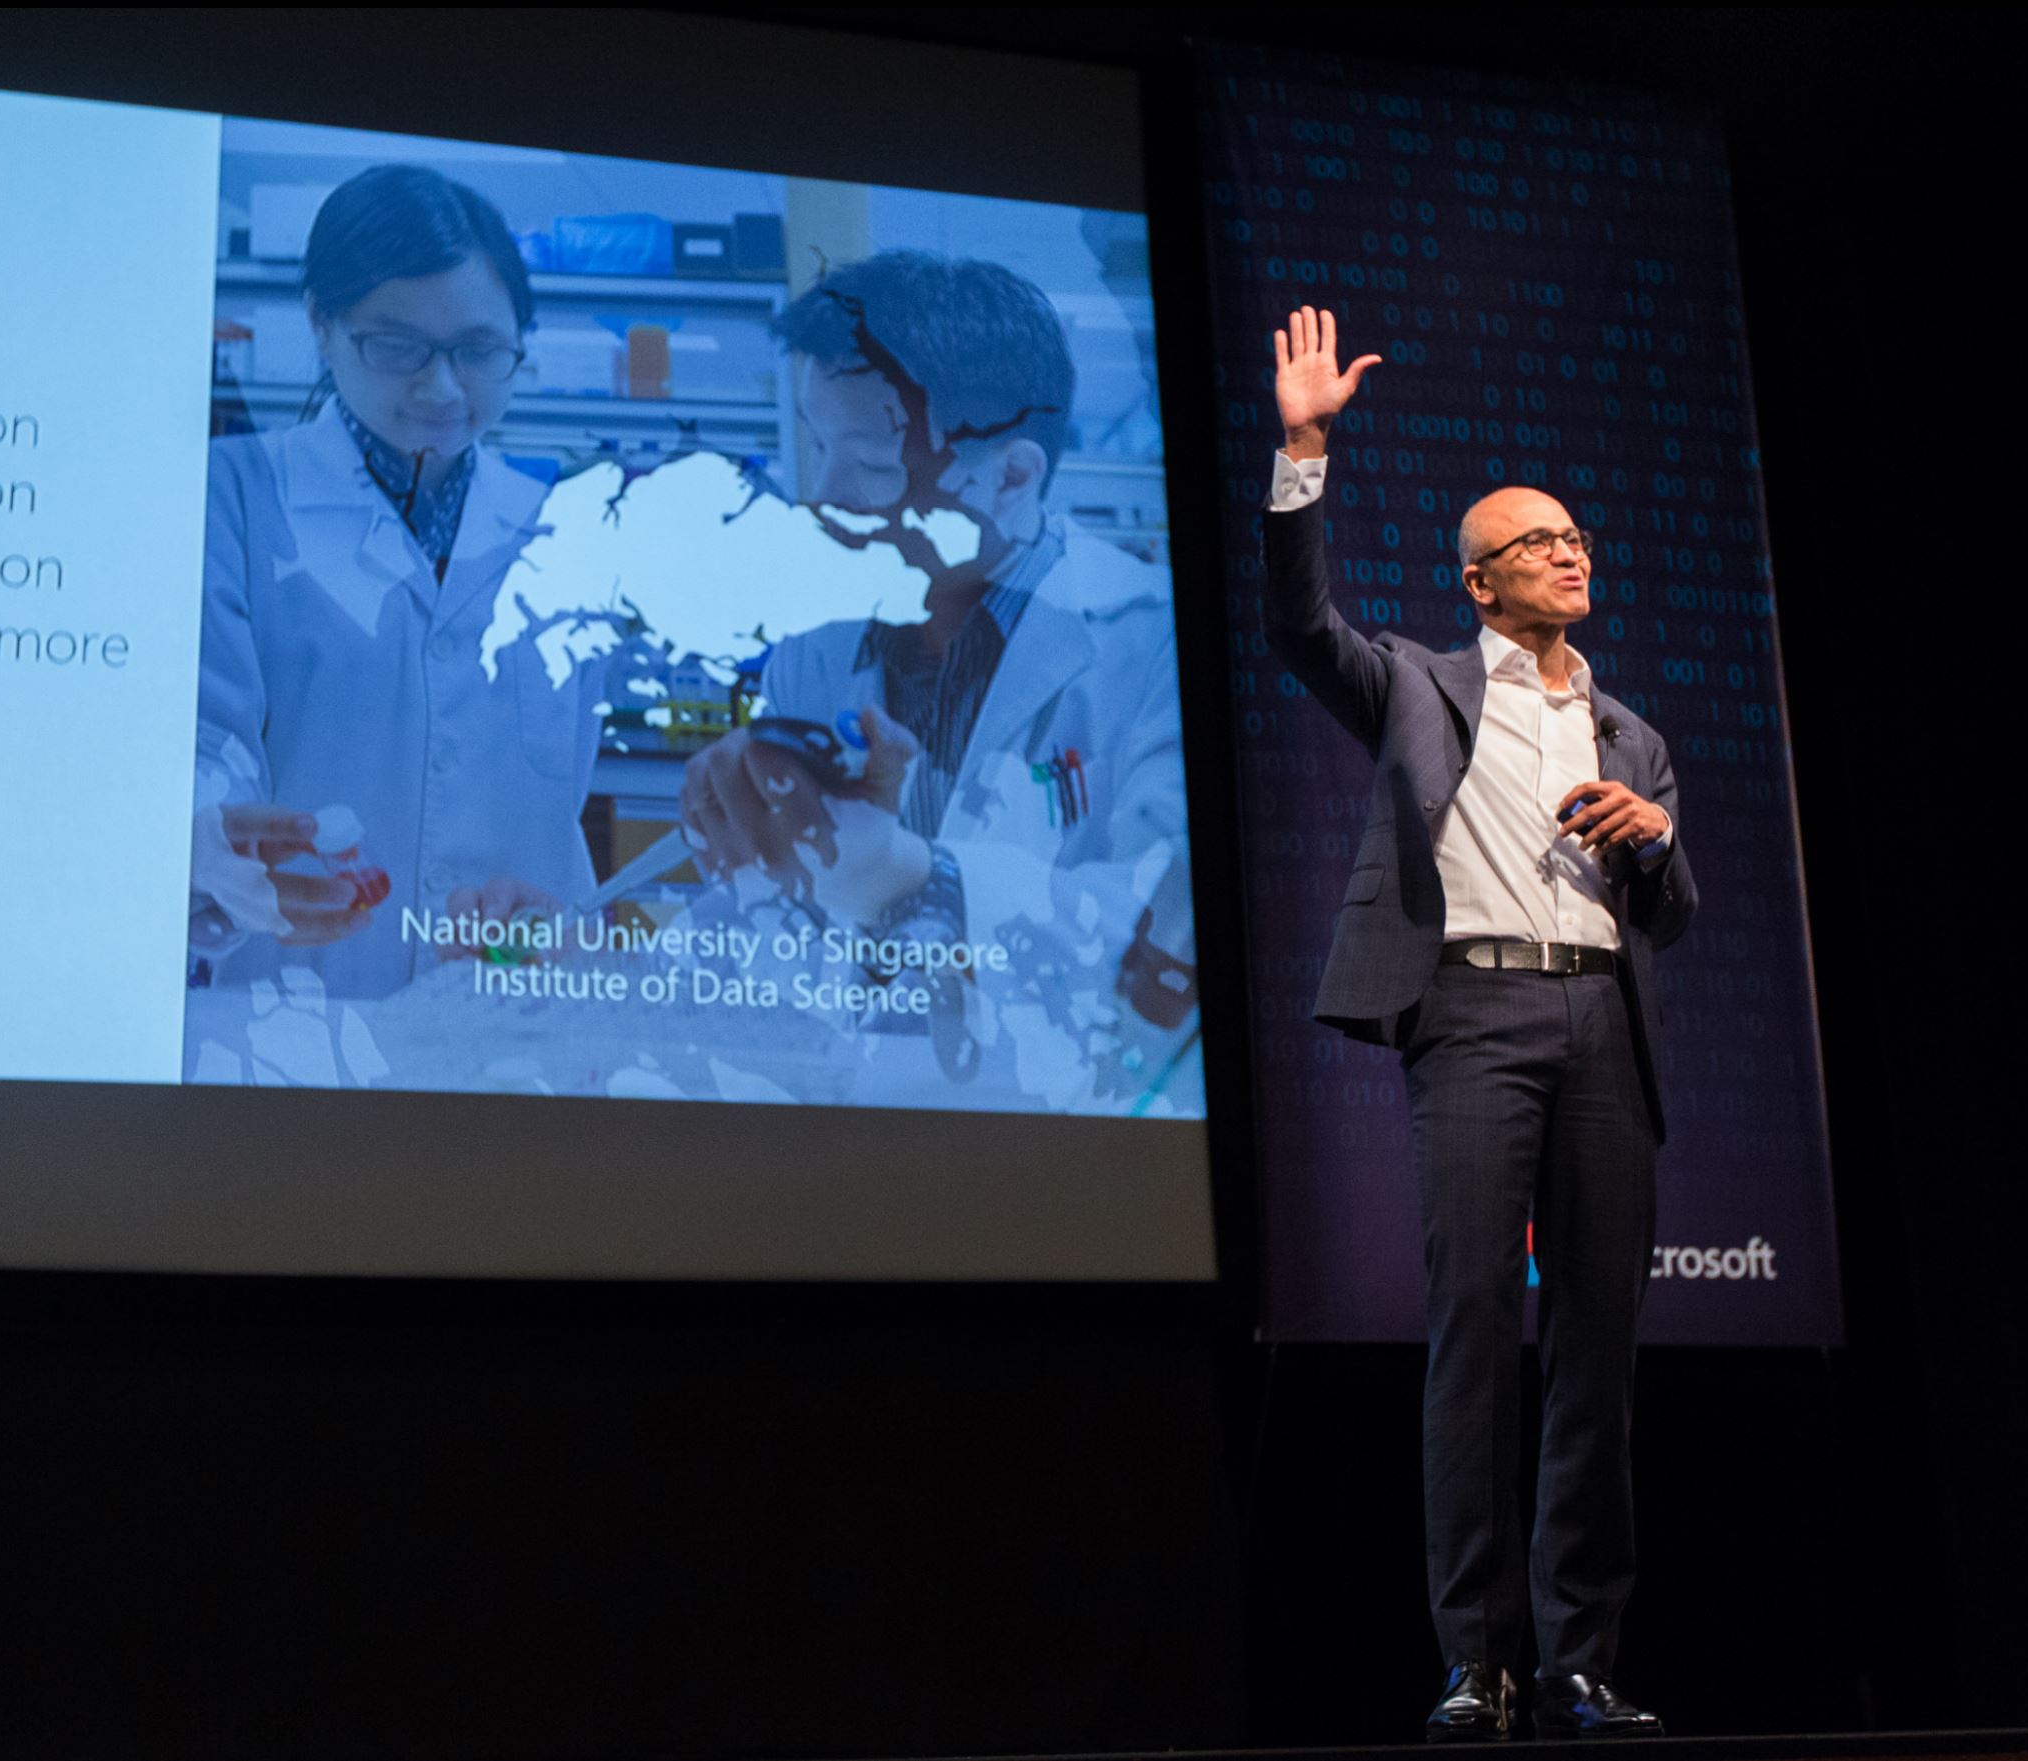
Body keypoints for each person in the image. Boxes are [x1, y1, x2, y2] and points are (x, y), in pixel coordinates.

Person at [1262, 306, 1696, 1740]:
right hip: (1475, 1016)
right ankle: (1476, 1659)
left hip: (1601, 1028)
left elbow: (1676, 912)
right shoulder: (1417, 682)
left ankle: (1582, 1658)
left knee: (1597, 1350)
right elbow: (1295, 622)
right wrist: (1305, 449)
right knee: (1470, 1333)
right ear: (1483, 582)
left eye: (1578, 538)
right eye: (1539, 544)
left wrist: (1655, 838)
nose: (1573, 554)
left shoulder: (1631, 733)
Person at [676, 250, 1191, 1106]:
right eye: (817, 444)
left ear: (1014, 476)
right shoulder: (817, 640)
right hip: (847, 1136)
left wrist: (930, 882)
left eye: (875, 466)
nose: (826, 498)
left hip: (1081, 1145)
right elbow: (779, 930)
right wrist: (738, 846)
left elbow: (1170, 929)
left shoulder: (1147, 641)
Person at [192, 165, 601, 1000]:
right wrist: (212, 851)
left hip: (511, 1025)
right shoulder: (230, 494)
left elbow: (559, 810)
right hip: (293, 999)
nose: (441, 387)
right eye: (395, 346)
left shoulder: (564, 529)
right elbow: (209, 743)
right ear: (321, 325)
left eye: (479, 350)